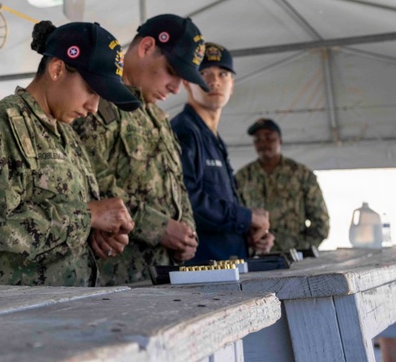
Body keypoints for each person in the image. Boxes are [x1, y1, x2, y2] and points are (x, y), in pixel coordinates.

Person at [0, 21, 138, 287]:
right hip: (15, 314)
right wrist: (88, 217)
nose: (94, 107)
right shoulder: (3, 121)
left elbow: (71, 217)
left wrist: (97, 234)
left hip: (68, 307)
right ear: (57, 69)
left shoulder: (67, 135)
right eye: (91, 91)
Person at [72, 14, 202, 285]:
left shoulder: (157, 117)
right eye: (172, 72)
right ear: (146, 48)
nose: (176, 88)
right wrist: (160, 228)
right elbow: (92, 185)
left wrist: (187, 234)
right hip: (119, 279)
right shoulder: (98, 104)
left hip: (165, 273)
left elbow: (177, 184)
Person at [170, 43, 273, 263]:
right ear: (187, 83)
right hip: (202, 269)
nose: (214, 81)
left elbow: (220, 203)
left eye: (223, 74)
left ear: (232, 84)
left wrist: (250, 233)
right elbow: (187, 201)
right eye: (204, 73)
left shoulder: (213, 137)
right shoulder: (185, 131)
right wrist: (246, 217)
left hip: (228, 262)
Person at [236, 118, 330, 253]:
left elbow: (321, 223)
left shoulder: (301, 174)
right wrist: (250, 242)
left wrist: (300, 249)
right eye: (258, 140)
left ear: (280, 140)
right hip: (256, 258)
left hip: (295, 257)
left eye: (269, 138)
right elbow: (235, 218)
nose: (263, 144)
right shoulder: (242, 177)